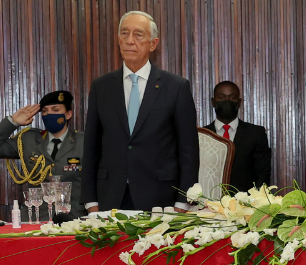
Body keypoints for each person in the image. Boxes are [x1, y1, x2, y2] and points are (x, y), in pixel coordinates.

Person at [81, 11, 199, 212]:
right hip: (110, 197)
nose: (129, 41)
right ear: (118, 40)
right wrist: (91, 201)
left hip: (161, 199)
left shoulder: (176, 87)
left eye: (138, 35)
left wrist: (183, 202)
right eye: (124, 34)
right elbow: (91, 146)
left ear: (153, 44)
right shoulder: (102, 87)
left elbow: (188, 150)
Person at [0, 90, 88, 218]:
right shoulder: (28, 139)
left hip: (73, 218)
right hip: (35, 218)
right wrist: (13, 122)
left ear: (68, 114)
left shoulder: (84, 141)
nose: (49, 114)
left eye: (55, 110)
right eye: (45, 111)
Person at [203, 81, 272, 193]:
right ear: (213, 102)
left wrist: (255, 202)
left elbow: (263, 173)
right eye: (222, 97)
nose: (227, 101)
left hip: (245, 204)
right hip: (208, 203)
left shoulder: (255, 134)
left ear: (239, 102)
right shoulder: (202, 134)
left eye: (232, 97)